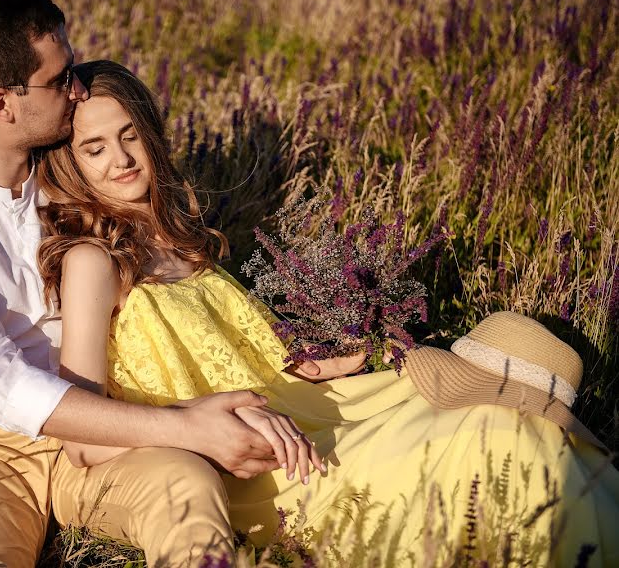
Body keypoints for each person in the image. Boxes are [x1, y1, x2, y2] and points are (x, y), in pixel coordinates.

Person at [37, 60, 619, 566]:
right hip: (260, 464)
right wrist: (197, 433)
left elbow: (235, 353)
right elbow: (81, 436)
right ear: (69, 164)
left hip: (300, 409)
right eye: (95, 148)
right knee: (492, 441)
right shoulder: (95, 260)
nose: (121, 158)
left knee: (515, 402)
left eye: (131, 135)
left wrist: (316, 364)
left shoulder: (175, 234)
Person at [0, 0, 321, 568]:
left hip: (100, 431)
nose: (78, 88)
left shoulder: (70, 171)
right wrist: (187, 424)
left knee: (184, 486)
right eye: (61, 80)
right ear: (2, 104)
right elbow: (5, 387)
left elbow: (175, 274)